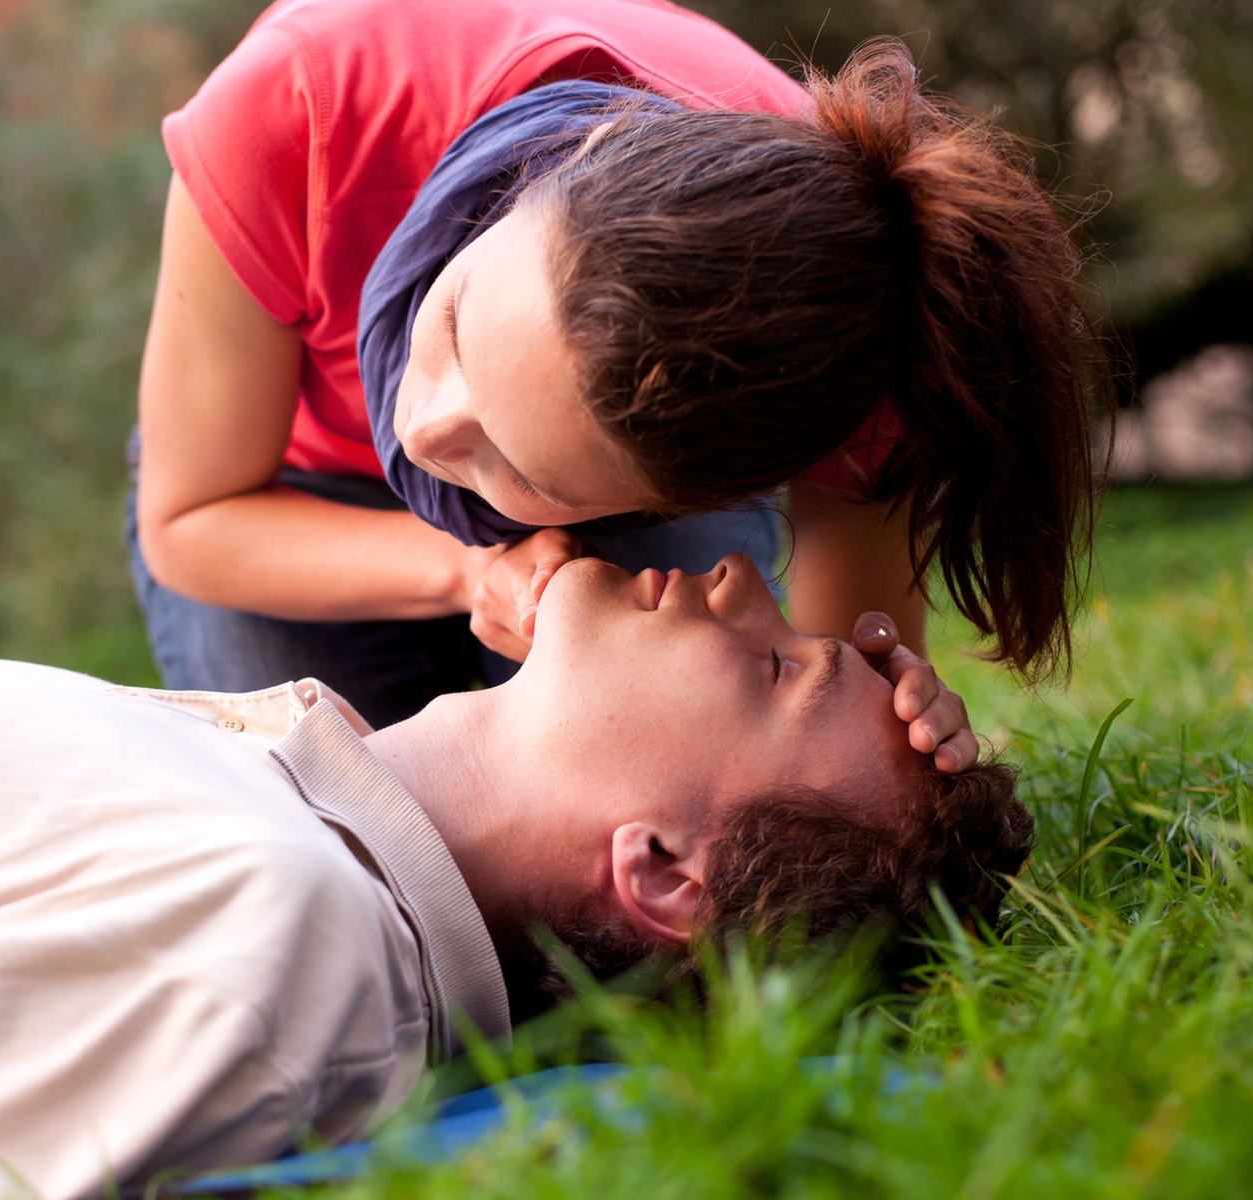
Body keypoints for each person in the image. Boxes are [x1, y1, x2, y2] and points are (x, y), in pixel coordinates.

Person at [0, 553, 1030, 1199]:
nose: (746, 577)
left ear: (663, 872)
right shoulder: (269, 807)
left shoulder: (264, 931)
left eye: (772, 671)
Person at [133, 0, 1098, 757]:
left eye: (527, 470)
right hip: (272, 493)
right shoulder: (297, 105)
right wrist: (469, 563)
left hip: (614, 518)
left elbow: (847, 681)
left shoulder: (860, 339)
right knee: (333, 825)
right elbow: (190, 519)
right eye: (461, 322)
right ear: (569, 160)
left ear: (709, 494)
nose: (421, 428)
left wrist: (883, 721)